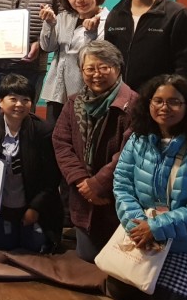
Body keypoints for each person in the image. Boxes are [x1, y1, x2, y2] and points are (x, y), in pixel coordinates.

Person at [107, 74, 187, 300]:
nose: (165, 107)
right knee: (121, 292)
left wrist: (156, 228)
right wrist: (137, 226)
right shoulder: (137, 141)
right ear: (148, 103)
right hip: (143, 232)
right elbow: (122, 186)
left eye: (174, 102)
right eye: (158, 100)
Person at [51, 40, 138, 262]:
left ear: (117, 69)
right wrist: (82, 181)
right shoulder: (74, 102)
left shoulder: (133, 105)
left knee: (119, 261)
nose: (96, 74)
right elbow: (61, 141)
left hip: (116, 199)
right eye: (89, 68)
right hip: (83, 196)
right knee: (88, 258)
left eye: (103, 68)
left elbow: (129, 153)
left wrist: (98, 185)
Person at [0, 74, 62, 252]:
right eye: (13, 99)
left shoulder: (44, 131)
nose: (19, 104)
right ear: (1, 102)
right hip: (0, 206)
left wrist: (35, 208)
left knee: (34, 245)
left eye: (25, 99)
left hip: (32, 206)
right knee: (3, 245)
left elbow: (52, 177)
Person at [39, 0, 110, 124]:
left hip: (87, 94)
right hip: (56, 92)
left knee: (80, 141)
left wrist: (90, 33)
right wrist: (49, 24)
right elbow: (47, 47)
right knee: (54, 138)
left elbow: (94, 58)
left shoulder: (108, 21)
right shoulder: (64, 17)